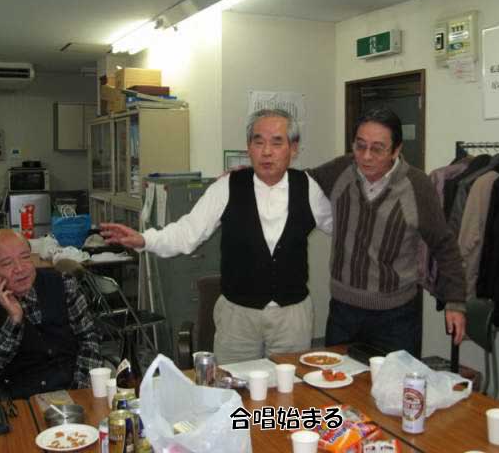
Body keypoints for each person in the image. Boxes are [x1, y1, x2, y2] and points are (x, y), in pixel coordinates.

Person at [101, 109, 332, 364]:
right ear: (249, 147)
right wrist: (145, 239)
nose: (267, 151)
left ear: (293, 148)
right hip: (237, 316)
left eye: (277, 142)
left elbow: (341, 228)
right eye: (258, 142)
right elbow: (188, 231)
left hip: (292, 316)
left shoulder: (308, 188)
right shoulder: (227, 186)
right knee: (232, 384)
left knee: (288, 386)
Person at [309, 108, 466, 357]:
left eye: (377, 149)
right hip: (343, 312)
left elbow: (444, 245)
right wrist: (248, 176)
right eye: (360, 146)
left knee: (395, 380)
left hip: (396, 317)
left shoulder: (417, 186)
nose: (366, 156)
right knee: (338, 378)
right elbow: (298, 183)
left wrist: (455, 302)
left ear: (396, 150)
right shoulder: (340, 171)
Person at [0, 229, 102, 399]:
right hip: (20, 398)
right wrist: (13, 322)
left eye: (25, 257)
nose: (20, 269)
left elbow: (89, 338)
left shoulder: (64, 284)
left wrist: (79, 391)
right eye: (7, 263)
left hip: (73, 386)